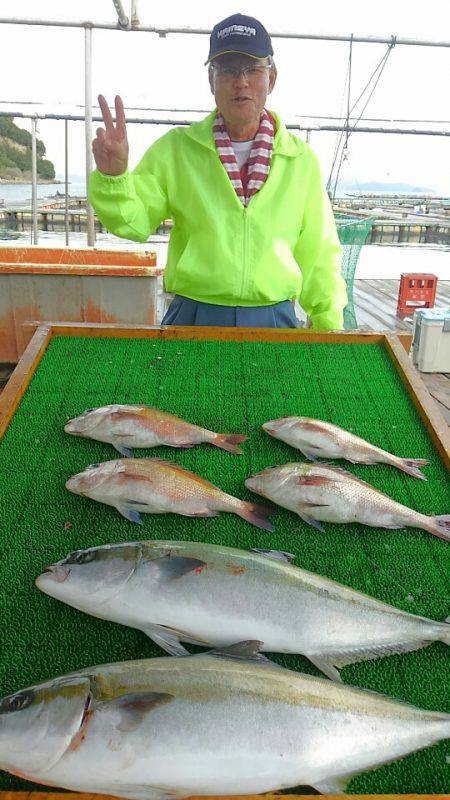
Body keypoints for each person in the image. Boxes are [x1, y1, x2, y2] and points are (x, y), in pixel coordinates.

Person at [88, 13, 347, 329]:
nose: (241, 82)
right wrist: (114, 177)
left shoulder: (301, 160)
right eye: (227, 70)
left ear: (272, 78)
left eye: (253, 69)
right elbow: (134, 222)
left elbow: (319, 252)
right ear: (211, 81)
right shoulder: (176, 149)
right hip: (193, 315)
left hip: (274, 317)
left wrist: (328, 322)